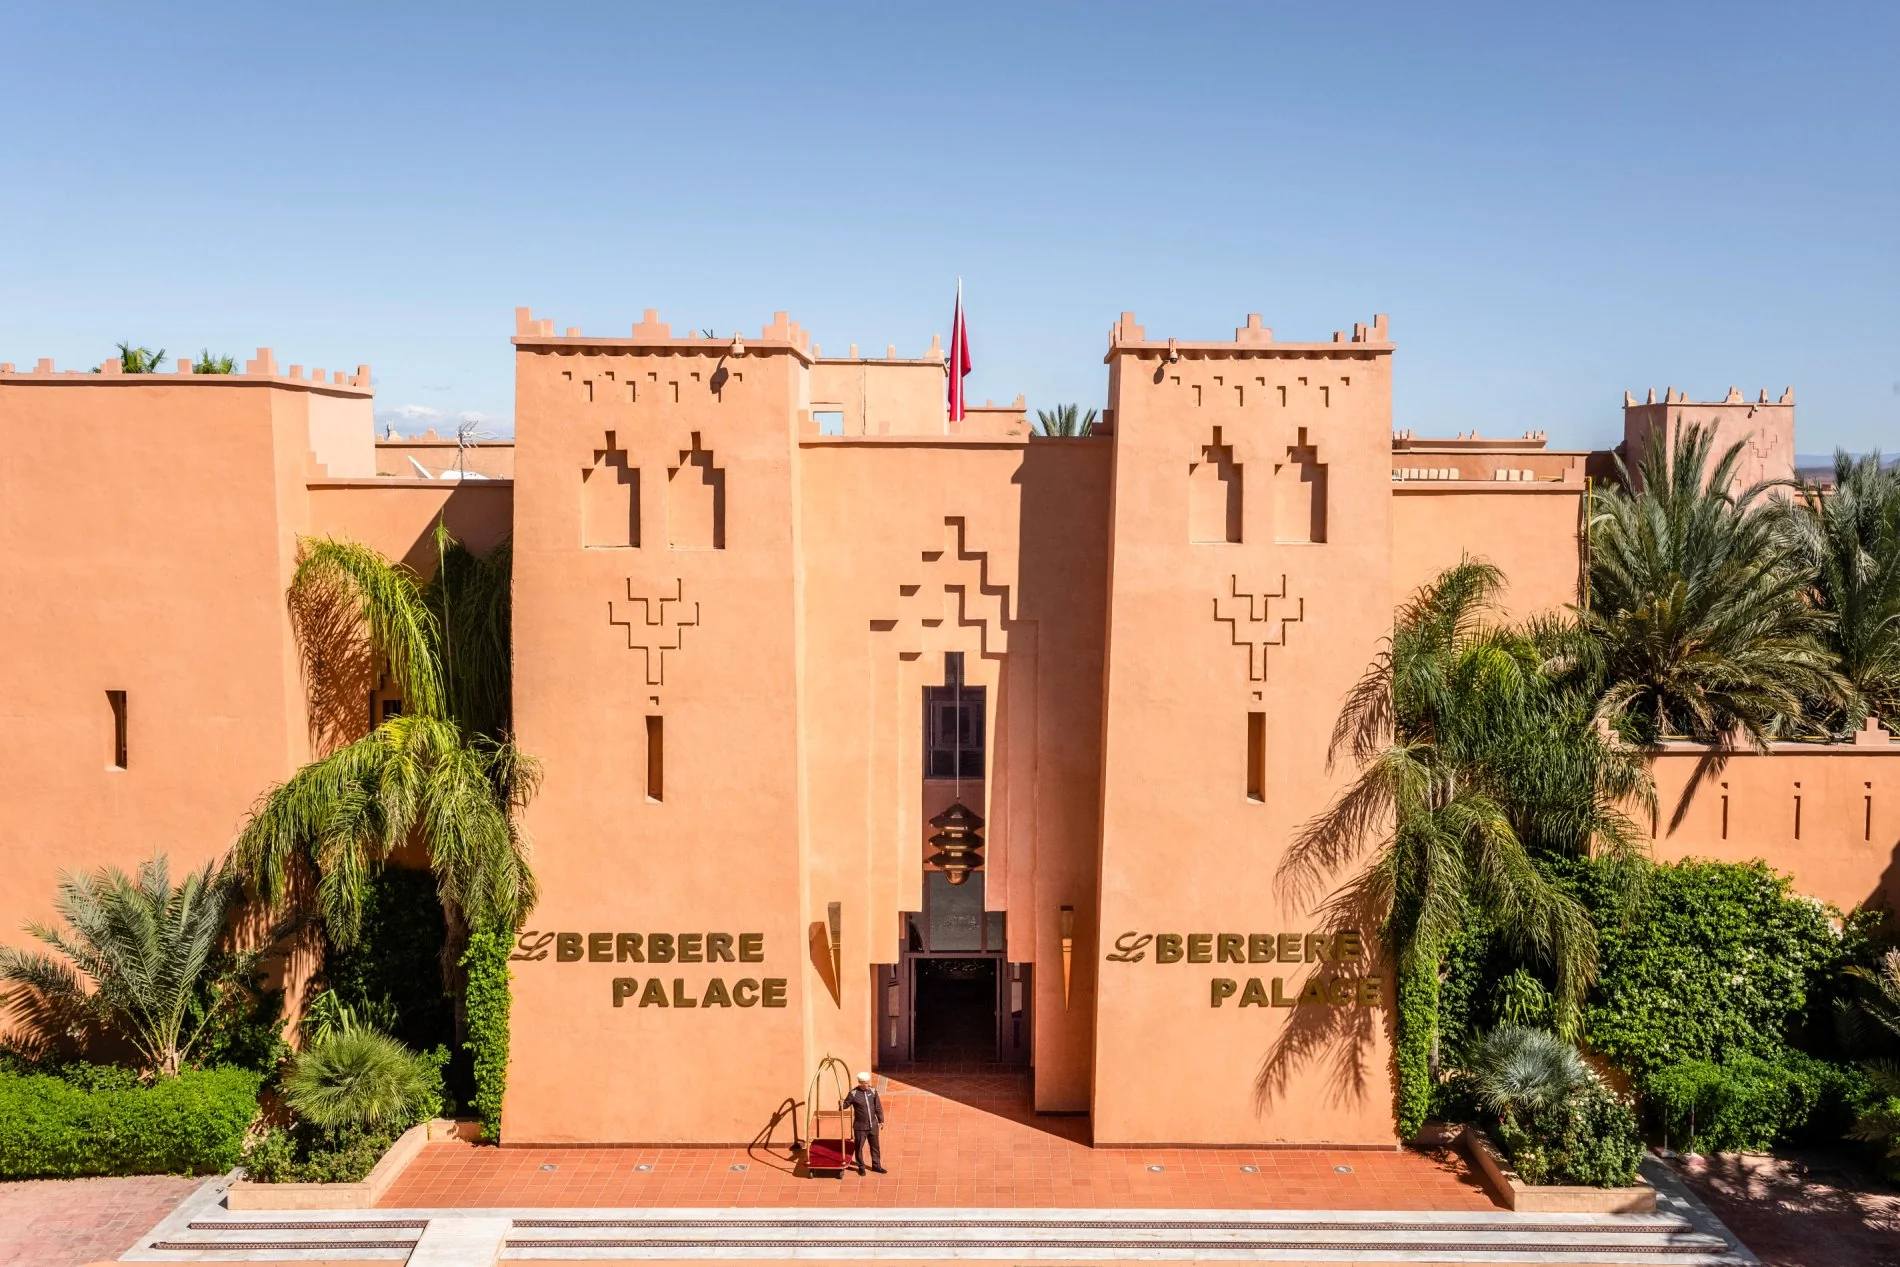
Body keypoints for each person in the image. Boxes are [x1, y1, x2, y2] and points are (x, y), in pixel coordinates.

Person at [845, 1071, 885, 1175]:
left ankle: (876, 1166)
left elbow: (878, 1107)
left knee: (875, 1147)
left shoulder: (873, 1091)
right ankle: (861, 1167)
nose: (868, 1084)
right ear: (860, 1083)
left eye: (868, 1082)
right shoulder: (853, 1094)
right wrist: (841, 1104)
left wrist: (881, 1120)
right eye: (865, 1083)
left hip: (873, 1126)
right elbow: (845, 1105)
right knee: (859, 1147)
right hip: (860, 1127)